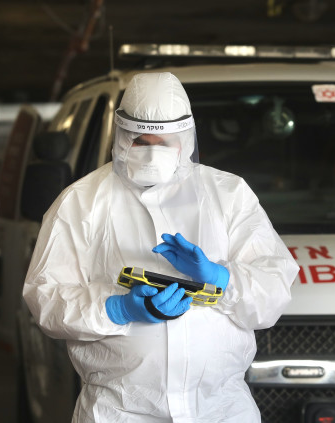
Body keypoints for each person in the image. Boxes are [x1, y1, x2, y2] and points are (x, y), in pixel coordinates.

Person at [22, 72, 299, 422]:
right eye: (141, 141)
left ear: (185, 138)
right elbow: (45, 299)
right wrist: (117, 308)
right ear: (122, 136)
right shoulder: (81, 201)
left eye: (165, 141)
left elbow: (274, 291)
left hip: (221, 409)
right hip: (119, 412)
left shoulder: (228, 194)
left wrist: (222, 278)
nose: (153, 152)